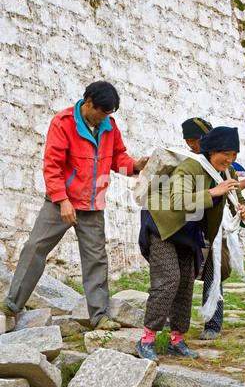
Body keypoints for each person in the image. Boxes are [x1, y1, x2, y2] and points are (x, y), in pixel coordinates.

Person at [0, 81, 149, 331]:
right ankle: (12, 305)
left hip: (92, 205)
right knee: (34, 247)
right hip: (60, 202)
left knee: (96, 259)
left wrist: (135, 166)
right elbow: (52, 166)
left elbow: (117, 158)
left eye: (109, 114)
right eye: (102, 112)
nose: (105, 117)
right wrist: (62, 200)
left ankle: (100, 316)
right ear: (88, 102)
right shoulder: (62, 123)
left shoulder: (109, 126)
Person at [137, 126, 245, 362]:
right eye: (225, 154)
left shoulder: (227, 171)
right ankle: (146, 340)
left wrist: (244, 210)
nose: (230, 160)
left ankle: (176, 341)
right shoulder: (190, 167)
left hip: (189, 232)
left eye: (234, 156)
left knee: (186, 283)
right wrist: (214, 192)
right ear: (211, 152)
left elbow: (237, 196)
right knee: (169, 279)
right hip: (163, 225)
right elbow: (178, 201)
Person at [182, 117, 245, 191]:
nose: (191, 145)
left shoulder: (226, 164)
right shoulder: (188, 160)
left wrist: (223, 192)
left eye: (194, 140)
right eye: (187, 141)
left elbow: (244, 181)